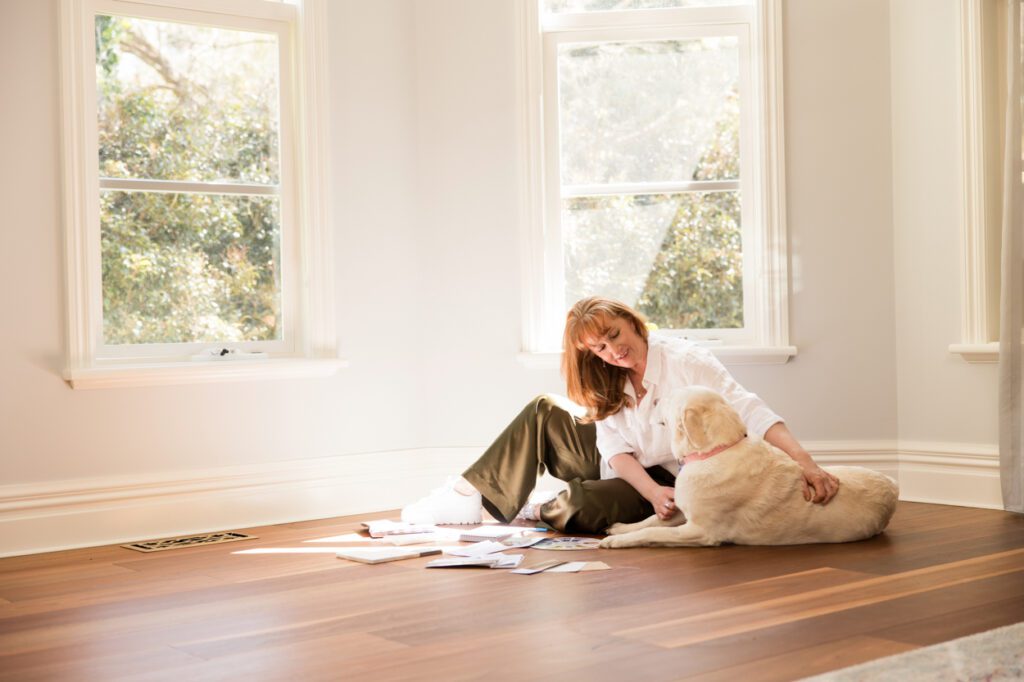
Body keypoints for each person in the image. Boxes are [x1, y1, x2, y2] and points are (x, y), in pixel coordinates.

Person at [401, 297, 839, 533]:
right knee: (544, 408)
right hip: (630, 470)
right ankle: (465, 496)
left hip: (674, 477)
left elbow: (748, 408)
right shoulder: (606, 375)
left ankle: (536, 508)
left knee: (579, 509)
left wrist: (805, 463)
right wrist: (647, 493)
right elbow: (613, 447)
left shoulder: (686, 360)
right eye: (600, 348)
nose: (614, 351)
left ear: (632, 322)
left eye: (615, 336)